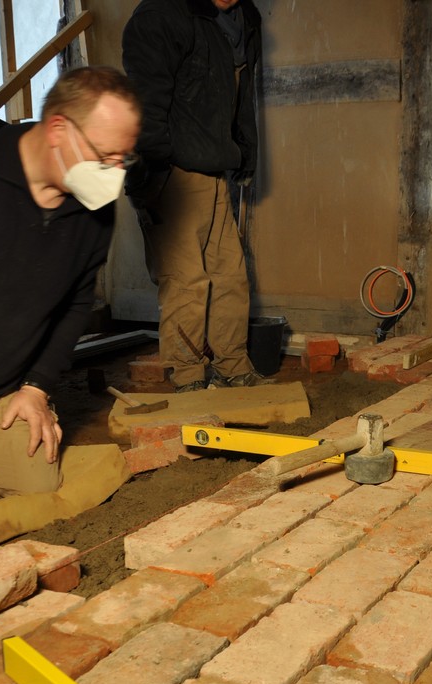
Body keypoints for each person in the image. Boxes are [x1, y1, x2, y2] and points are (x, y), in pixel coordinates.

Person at [0, 66, 141, 502]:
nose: (114, 175)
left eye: (125, 159)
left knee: (36, 490)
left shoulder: (95, 209)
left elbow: (77, 304)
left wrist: (36, 387)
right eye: (105, 158)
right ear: (58, 130)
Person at [122, 0, 266, 392]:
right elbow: (143, 106)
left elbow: (242, 99)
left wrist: (246, 154)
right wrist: (152, 177)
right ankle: (187, 378)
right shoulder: (161, 16)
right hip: (171, 171)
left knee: (231, 278)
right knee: (186, 281)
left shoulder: (243, 18)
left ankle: (234, 367)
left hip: (215, 168)